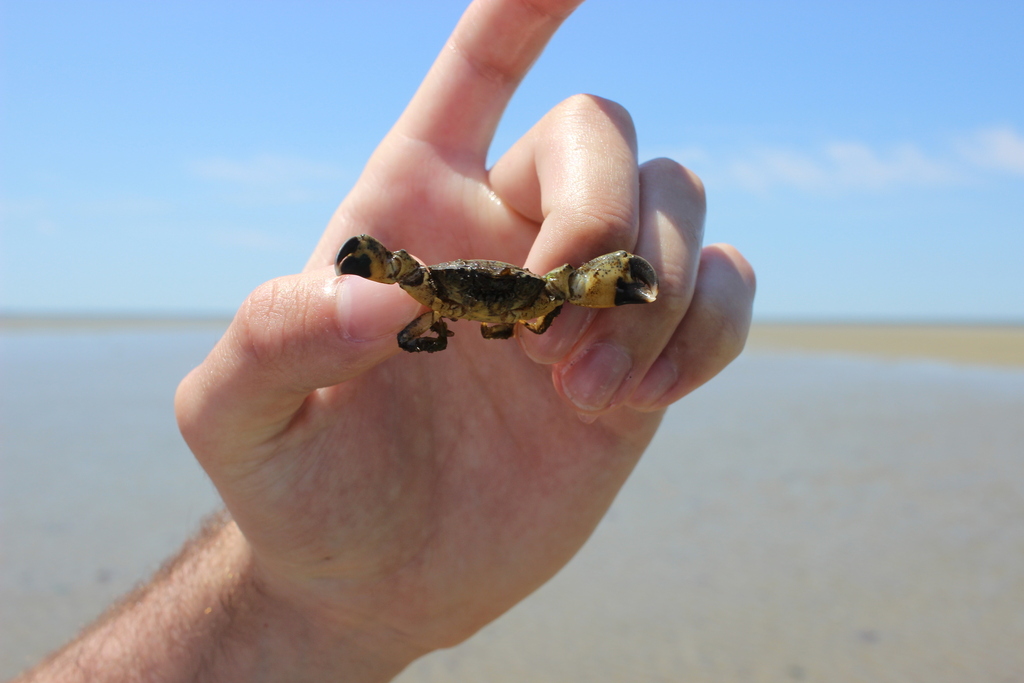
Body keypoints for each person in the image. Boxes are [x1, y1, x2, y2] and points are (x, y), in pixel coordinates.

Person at [19, 0, 755, 680]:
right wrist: (311, 602)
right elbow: (394, 273)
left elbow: (551, 292)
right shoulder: (423, 287)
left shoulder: (513, 301)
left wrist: (557, 302)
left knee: (567, 289)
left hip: (528, 306)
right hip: (467, 310)